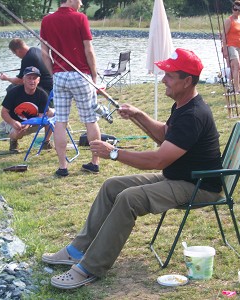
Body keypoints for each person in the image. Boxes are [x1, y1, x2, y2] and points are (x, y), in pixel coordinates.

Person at [41, 48, 223, 289]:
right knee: (112, 186)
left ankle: (90, 268)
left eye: (169, 75)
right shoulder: (182, 105)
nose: (163, 80)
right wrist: (139, 115)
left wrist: (113, 153)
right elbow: (165, 135)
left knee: (128, 198)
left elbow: (158, 160)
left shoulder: (194, 114)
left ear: (187, 81)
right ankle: (76, 250)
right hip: (180, 178)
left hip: (199, 185)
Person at [40, 0, 101, 177]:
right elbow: (88, 49)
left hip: (59, 76)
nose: (81, 3)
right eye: (79, 0)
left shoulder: (47, 21)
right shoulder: (80, 18)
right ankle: (94, 162)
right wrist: (94, 75)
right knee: (90, 119)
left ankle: (62, 166)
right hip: (81, 75)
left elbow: (45, 53)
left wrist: (53, 73)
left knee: (60, 121)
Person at [1, 66, 54, 153]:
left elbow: (41, 115)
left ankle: (46, 142)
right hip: (14, 122)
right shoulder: (13, 92)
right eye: (29, 78)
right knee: (18, 133)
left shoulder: (42, 94)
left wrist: (28, 123)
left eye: (34, 78)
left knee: (50, 114)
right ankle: (13, 141)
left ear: (38, 80)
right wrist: (13, 122)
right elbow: (4, 113)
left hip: (32, 122)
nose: (32, 81)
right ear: (23, 80)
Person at [222, 0, 240, 94]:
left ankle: (231, 84)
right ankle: (237, 89)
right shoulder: (229, 20)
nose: (236, 11)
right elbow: (224, 35)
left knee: (237, 68)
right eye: (234, 9)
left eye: (238, 9)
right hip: (231, 46)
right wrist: (224, 49)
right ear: (232, 9)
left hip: (239, 46)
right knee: (236, 65)